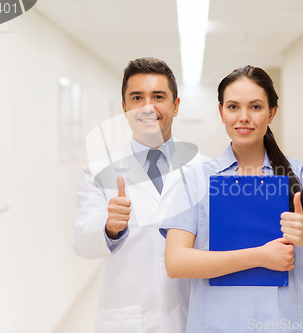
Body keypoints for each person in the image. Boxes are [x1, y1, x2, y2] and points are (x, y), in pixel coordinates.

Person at [160, 65, 303, 332]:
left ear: (272, 112)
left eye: (255, 107)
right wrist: (260, 256)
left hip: (286, 321)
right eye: (233, 107)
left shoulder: (299, 175)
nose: (244, 117)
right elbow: (175, 262)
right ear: (221, 112)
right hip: (219, 322)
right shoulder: (196, 179)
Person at [72, 57, 204, 333]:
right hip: (129, 321)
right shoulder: (99, 173)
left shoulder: (204, 170)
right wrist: (109, 227)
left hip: (193, 315)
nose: (147, 107)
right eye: (136, 97)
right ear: (124, 108)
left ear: (175, 106)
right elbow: (82, 242)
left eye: (158, 96)